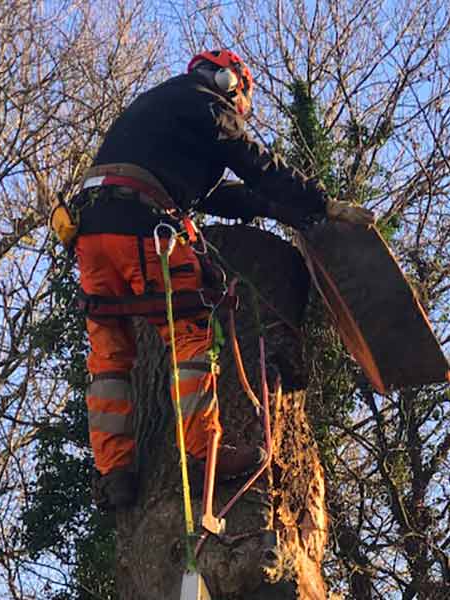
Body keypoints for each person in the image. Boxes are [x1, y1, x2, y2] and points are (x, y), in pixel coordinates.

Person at [73, 49, 374, 510]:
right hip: (142, 228)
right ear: (230, 83)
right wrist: (321, 203)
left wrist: (282, 210)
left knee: (109, 355)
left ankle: (114, 473)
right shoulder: (207, 103)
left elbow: (222, 196)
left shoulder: (162, 112)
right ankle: (204, 454)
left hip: (93, 232)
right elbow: (257, 164)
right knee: (192, 330)